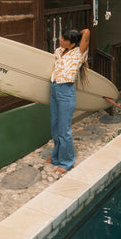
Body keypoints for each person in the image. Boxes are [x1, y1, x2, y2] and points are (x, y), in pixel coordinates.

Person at [46, 28, 90, 173]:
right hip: (54, 88)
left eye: (65, 39)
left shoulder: (79, 53)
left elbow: (87, 32)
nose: (61, 40)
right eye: (62, 37)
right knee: (54, 125)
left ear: (72, 44)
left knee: (64, 130)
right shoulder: (59, 51)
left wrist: (77, 33)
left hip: (66, 92)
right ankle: (56, 157)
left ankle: (67, 162)